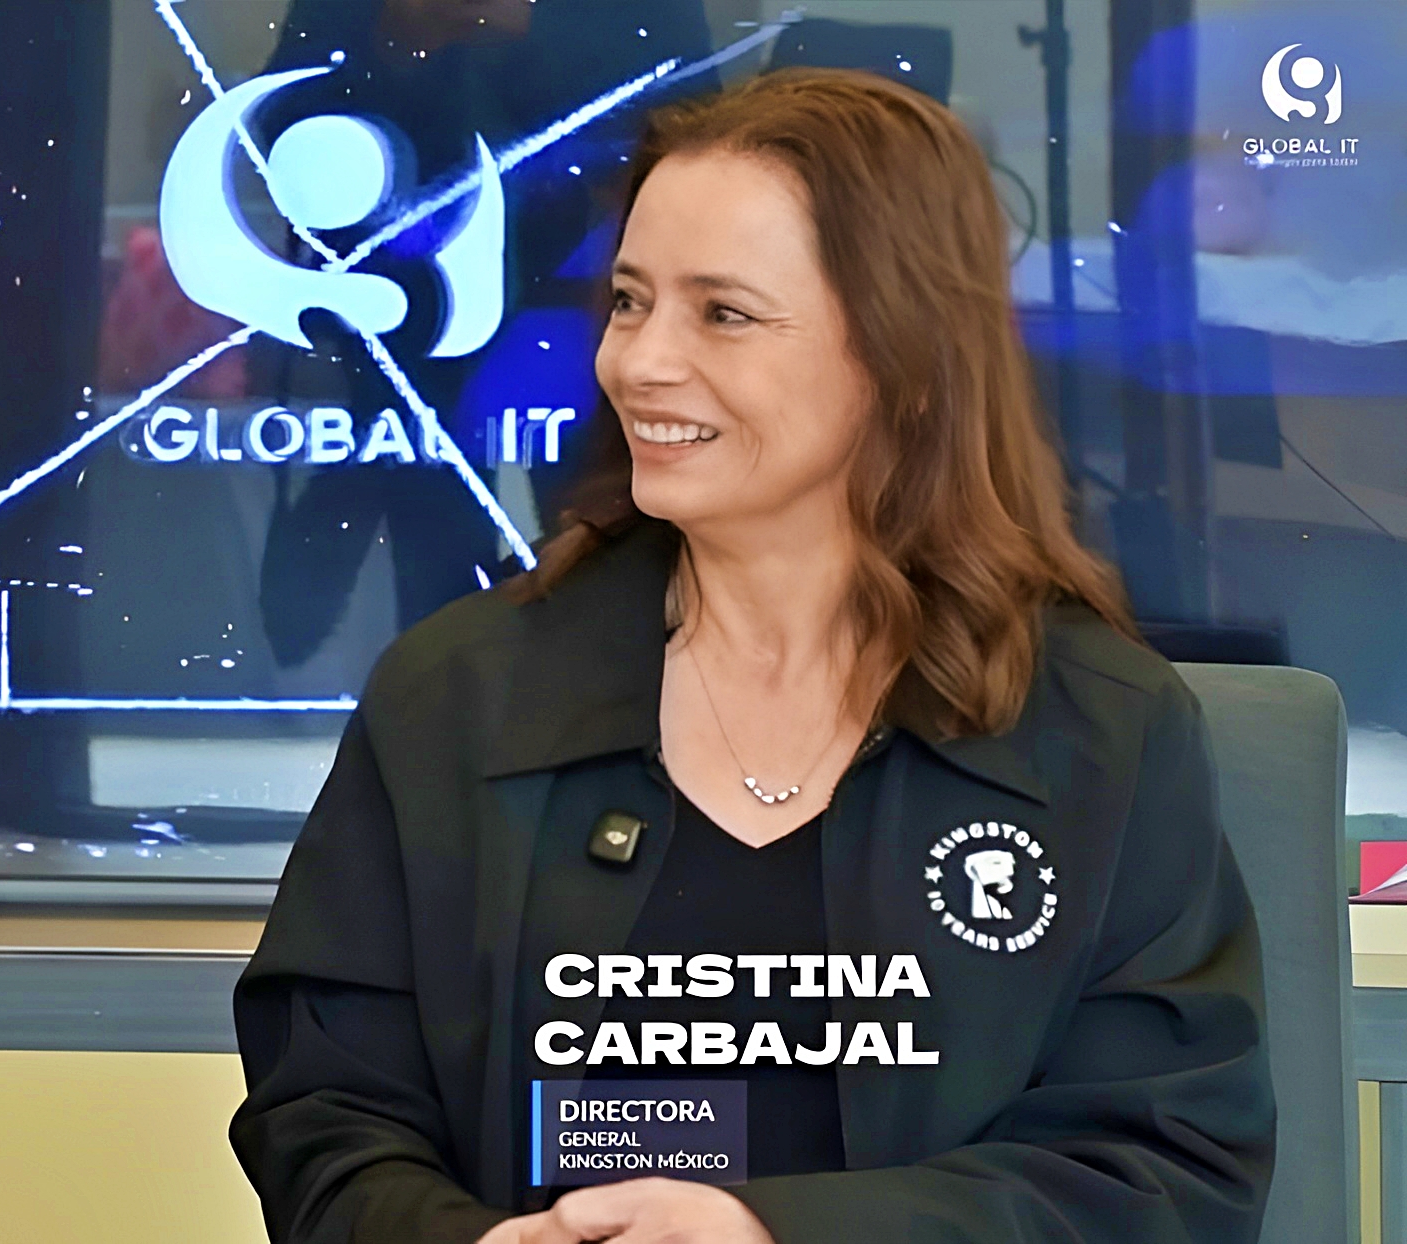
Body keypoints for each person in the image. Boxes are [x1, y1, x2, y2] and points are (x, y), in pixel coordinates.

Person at [229, 69, 1273, 1244]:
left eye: (721, 313)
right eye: (630, 301)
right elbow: (326, 1112)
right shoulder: (455, 695)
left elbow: (1159, 1166)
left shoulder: (1102, 726)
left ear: (906, 357)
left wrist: (771, 1233)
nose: (638, 361)